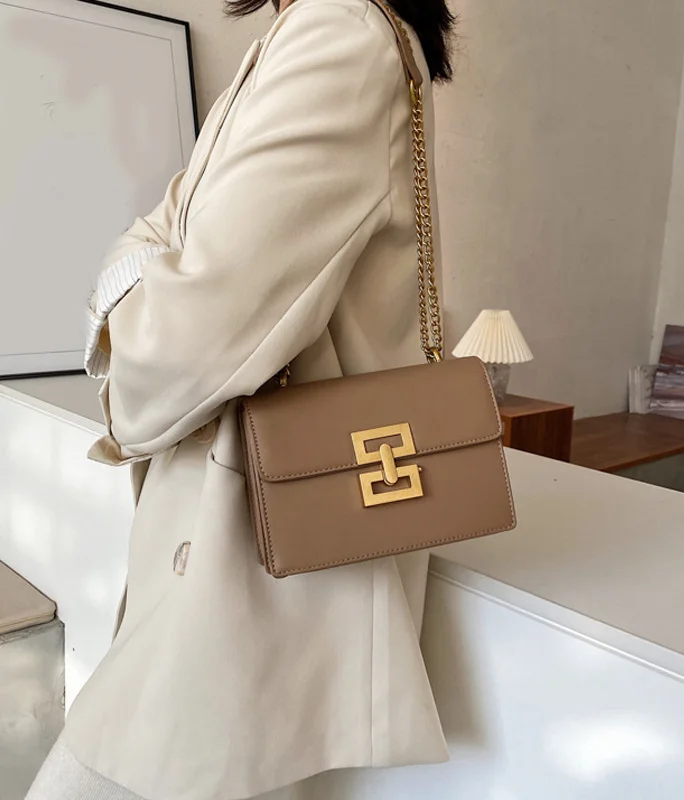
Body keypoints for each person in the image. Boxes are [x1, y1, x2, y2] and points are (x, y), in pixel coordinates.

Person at [26, 0, 455, 798]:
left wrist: (135, 305)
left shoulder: (338, 34)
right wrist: (160, 272)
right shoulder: (305, 37)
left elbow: (188, 337)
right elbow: (161, 238)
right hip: (234, 557)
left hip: (246, 564)